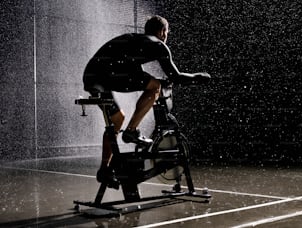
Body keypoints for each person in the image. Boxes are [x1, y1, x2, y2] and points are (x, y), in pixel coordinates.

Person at [83, 15, 210, 187]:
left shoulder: (134, 41)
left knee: (117, 119)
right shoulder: (159, 45)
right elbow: (176, 77)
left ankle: (104, 170)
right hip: (108, 75)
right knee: (155, 86)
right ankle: (132, 131)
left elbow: (133, 71)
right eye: (167, 32)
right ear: (163, 32)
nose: (166, 36)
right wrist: (199, 77)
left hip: (93, 77)